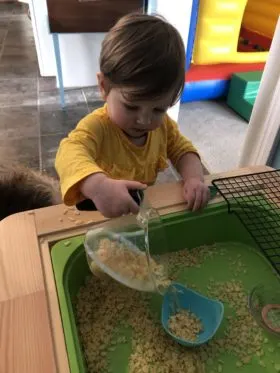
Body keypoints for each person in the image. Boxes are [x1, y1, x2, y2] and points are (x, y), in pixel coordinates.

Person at [55, 13, 210, 218]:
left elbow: (184, 152)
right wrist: (98, 186)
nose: (145, 120)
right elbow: (68, 152)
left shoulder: (164, 127)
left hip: (134, 212)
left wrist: (194, 179)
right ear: (104, 87)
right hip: (95, 214)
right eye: (131, 107)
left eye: (158, 109)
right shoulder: (98, 127)